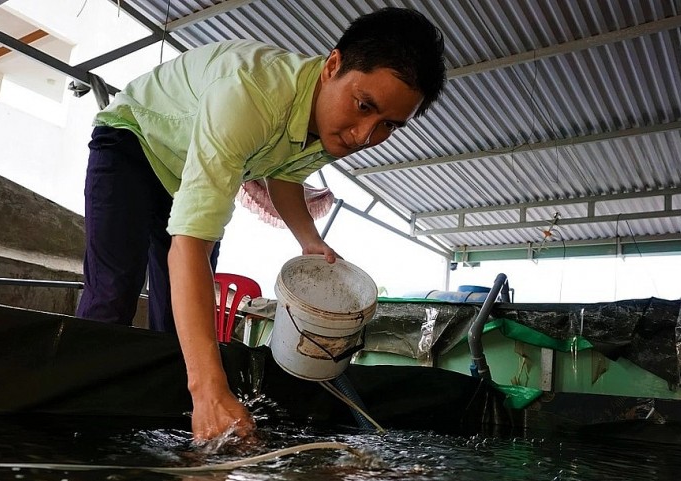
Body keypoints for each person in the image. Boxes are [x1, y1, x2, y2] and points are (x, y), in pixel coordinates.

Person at [75, 7, 446, 441]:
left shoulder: (331, 124)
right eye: (364, 106)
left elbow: (285, 175)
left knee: (174, 329)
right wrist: (209, 388)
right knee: (113, 290)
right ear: (332, 66)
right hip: (135, 142)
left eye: (388, 125)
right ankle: (81, 423)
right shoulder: (250, 95)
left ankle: (170, 429)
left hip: (189, 175)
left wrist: (310, 240)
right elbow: (189, 247)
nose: (364, 136)